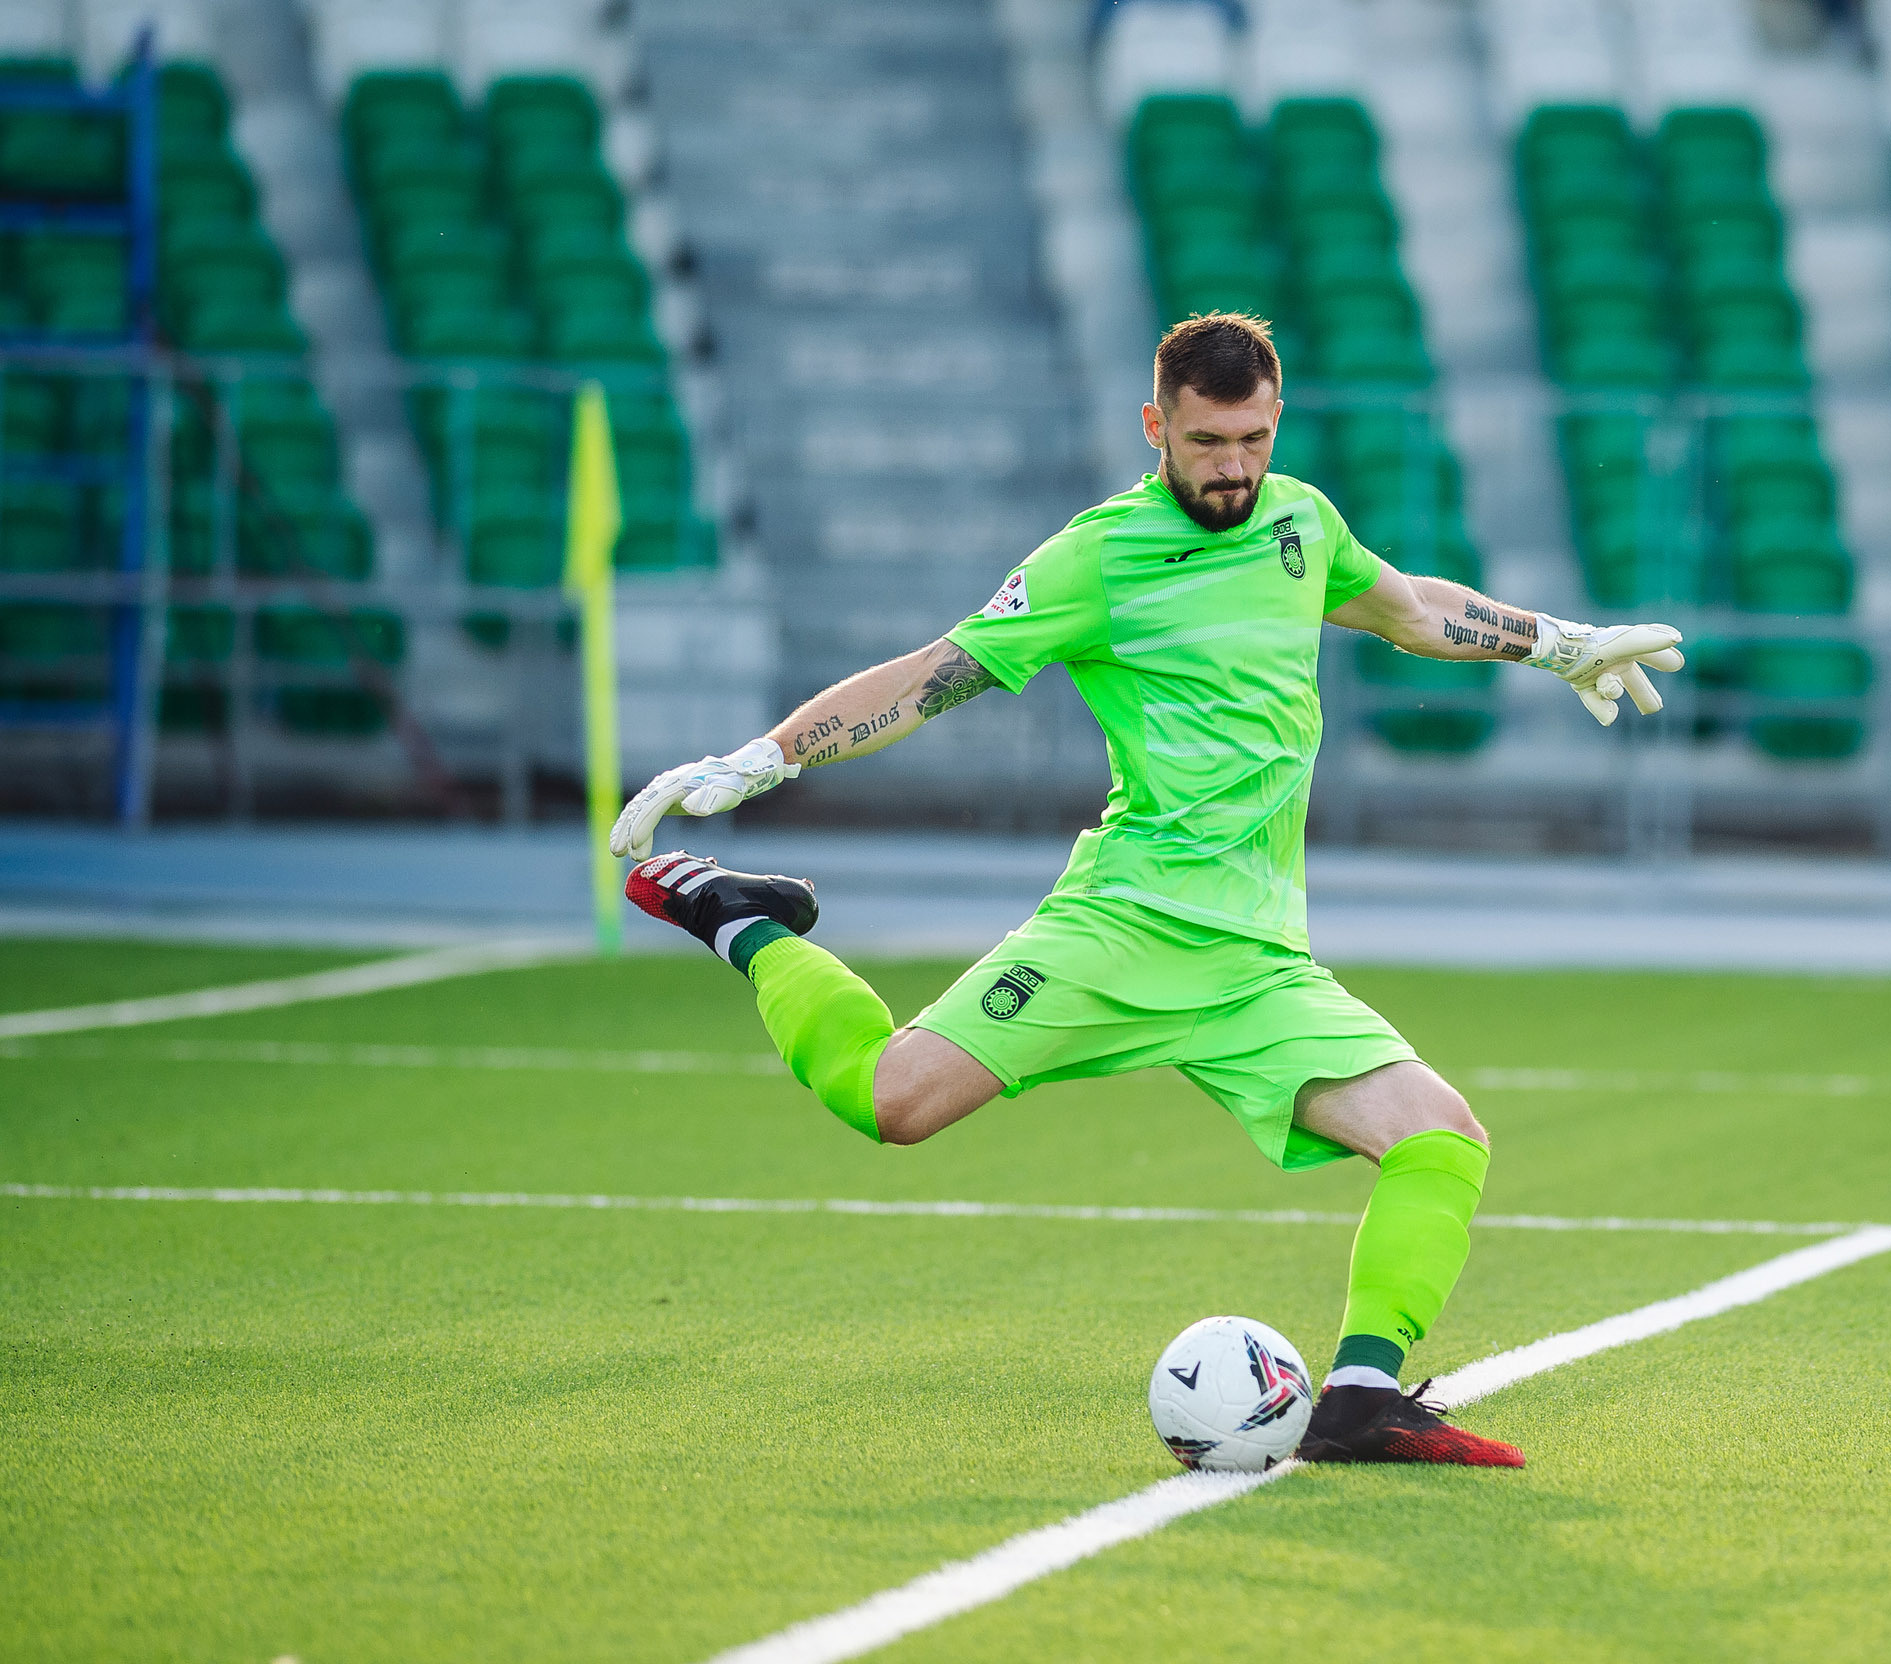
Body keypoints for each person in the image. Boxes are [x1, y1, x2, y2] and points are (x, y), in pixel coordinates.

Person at [608, 314, 1684, 1468]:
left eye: (1254, 438)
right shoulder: (1098, 557)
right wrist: (771, 755)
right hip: (1118, 927)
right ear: (1155, 424)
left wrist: (1558, 642)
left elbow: (1412, 609)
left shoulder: (1301, 522)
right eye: (1210, 440)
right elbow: (936, 674)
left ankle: (1364, 1395)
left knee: (1441, 1135)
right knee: (889, 1102)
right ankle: (742, 917)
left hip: (1258, 960)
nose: (1234, 465)